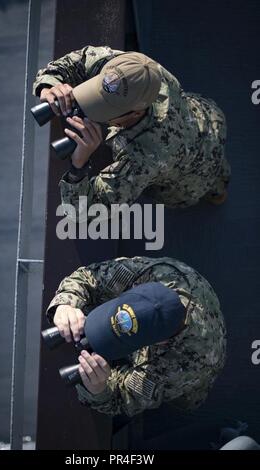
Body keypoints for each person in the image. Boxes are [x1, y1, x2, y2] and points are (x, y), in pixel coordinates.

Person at [33, 45, 230, 216]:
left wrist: (79, 166)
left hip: (190, 179)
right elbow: (82, 59)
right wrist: (49, 86)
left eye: (106, 110)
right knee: (221, 170)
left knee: (210, 181)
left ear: (135, 113)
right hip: (209, 118)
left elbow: (85, 212)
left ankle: (218, 191)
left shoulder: (143, 158)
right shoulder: (135, 70)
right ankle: (220, 189)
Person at [46, 256, 226, 417]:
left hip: (187, 377)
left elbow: (122, 398)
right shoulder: (158, 274)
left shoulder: (181, 365)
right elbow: (89, 277)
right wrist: (65, 305)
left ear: (159, 343)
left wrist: (97, 389)